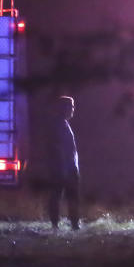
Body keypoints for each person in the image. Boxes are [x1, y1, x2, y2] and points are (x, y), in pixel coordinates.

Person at [46, 95, 81, 230]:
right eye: (71, 106)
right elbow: (58, 148)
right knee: (66, 196)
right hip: (65, 169)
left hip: (65, 168)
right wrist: (65, 169)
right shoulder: (59, 125)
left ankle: (67, 224)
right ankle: (68, 224)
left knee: (61, 196)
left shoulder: (61, 124)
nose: (73, 109)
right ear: (64, 108)